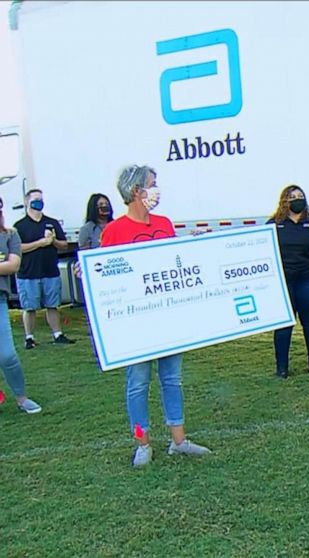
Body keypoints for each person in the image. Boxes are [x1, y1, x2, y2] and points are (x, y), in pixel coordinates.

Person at [100, 164, 211, 467]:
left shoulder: (164, 223)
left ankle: (179, 439)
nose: (156, 189)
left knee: (172, 379)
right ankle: (142, 442)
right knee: (137, 382)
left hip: (168, 320)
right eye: (152, 184)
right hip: (135, 324)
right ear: (136, 191)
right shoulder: (114, 231)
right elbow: (105, 274)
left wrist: (195, 244)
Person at [267, 185, 309, 378]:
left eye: (301, 196)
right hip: (284, 280)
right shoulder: (274, 224)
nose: (298, 199)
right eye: (293, 197)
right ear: (284, 202)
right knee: (284, 324)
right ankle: (282, 368)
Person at [12, 189, 75, 349]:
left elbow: (64, 244)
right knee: (29, 307)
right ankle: (29, 337)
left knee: (52, 305)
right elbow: (18, 248)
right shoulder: (19, 226)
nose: (39, 202)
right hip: (28, 273)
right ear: (27, 202)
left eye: (41, 199)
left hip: (50, 271)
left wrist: (53, 240)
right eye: (35, 200)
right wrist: (39, 243)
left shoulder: (51, 223)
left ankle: (57, 334)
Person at [0, 196, 42, 414]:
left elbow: (13, 265)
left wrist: (5, 264)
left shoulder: (10, 235)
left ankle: (21, 397)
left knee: (6, 354)